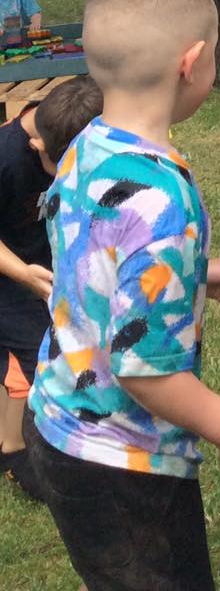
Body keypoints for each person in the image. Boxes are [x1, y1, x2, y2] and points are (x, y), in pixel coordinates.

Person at [26, 0, 220, 591]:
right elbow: (146, 368)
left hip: (56, 421)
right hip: (120, 460)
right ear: (191, 63)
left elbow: (91, 253)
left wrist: (188, 277)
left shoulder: (87, 145)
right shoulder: (163, 201)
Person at [0, 77, 102, 498]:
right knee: (36, 353)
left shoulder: (67, 121)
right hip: (11, 270)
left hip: (36, 266)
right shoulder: (5, 159)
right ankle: (14, 450)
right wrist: (23, 273)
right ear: (40, 145)